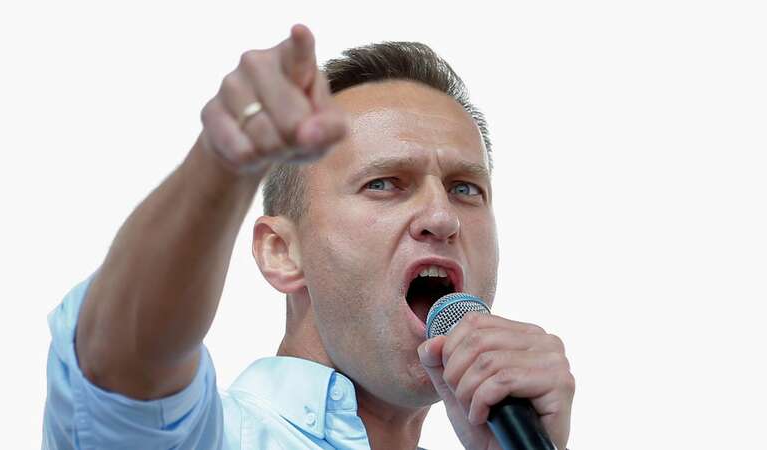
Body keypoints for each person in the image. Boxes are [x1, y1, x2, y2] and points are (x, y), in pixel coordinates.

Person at [42, 24, 575, 449]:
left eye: (465, 188)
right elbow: (121, 362)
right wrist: (221, 165)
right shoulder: (217, 438)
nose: (442, 215)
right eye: (384, 183)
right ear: (281, 252)